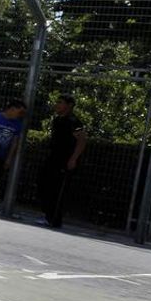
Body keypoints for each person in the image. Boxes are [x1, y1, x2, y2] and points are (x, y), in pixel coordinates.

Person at [37, 95, 87, 228]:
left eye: (60, 102)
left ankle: (54, 219)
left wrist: (73, 159)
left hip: (64, 160)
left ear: (69, 105)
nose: (57, 105)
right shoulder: (57, 119)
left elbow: (82, 141)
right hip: (54, 157)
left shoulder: (73, 121)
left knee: (57, 189)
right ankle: (48, 215)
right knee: (44, 185)